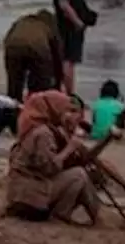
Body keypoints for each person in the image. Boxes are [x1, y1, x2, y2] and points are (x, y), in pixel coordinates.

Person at [6, 91, 114, 224]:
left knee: (79, 174)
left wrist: (106, 139)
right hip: (30, 196)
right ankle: (69, 214)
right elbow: (49, 168)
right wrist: (69, 148)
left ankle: (93, 216)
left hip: (22, 193)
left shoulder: (35, 128)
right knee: (79, 175)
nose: (68, 115)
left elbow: (83, 159)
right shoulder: (43, 134)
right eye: (66, 110)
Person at [52, 0, 96, 94]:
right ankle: (69, 94)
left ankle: (68, 92)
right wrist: (77, 22)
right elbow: (63, 4)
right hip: (69, 25)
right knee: (69, 60)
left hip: (70, 25)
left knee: (70, 60)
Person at [2, 10, 62, 100]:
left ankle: (12, 107)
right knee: (42, 83)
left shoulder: (21, 21)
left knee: (14, 84)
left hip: (12, 46)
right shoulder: (49, 26)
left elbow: (6, 39)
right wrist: (57, 84)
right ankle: (37, 102)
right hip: (37, 48)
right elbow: (57, 56)